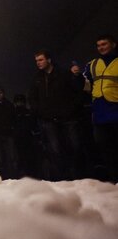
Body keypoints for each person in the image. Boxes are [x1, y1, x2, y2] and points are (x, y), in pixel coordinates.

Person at [29, 50, 83, 180]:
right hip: (48, 120)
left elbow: (77, 90)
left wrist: (77, 76)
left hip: (67, 118)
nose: (38, 63)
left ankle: (78, 177)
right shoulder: (37, 78)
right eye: (36, 61)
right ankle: (62, 179)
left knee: (75, 147)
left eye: (41, 60)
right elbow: (32, 98)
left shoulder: (64, 74)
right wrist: (40, 112)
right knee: (55, 150)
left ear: (49, 60)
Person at [85, 34, 118, 182]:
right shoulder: (92, 64)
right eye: (99, 45)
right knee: (105, 147)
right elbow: (85, 85)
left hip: (115, 108)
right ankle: (114, 178)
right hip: (99, 111)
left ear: (113, 45)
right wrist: (75, 75)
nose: (101, 48)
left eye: (104, 44)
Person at [12, 94, 41, 178]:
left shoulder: (29, 113)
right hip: (18, 140)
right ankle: (22, 176)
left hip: (28, 139)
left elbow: (34, 125)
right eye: (18, 102)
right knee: (20, 159)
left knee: (29, 159)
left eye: (21, 102)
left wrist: (37, 136)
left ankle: (30, 176)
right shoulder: (13, 114)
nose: (20, 104)